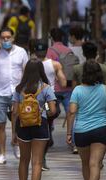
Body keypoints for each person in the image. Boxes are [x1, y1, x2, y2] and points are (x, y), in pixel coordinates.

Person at [12, 59, 57, 180]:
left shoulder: (19, 89)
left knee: (24, 161)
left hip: (23, 127)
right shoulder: (45, 88)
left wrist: (13, 132)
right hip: (40, 126)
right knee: (37, 162)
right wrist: (42, 110)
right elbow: (53, 111)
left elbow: (15, 112)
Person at [0, 27, 28, 164]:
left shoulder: (21, 52)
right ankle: (2, 154)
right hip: (0, 93)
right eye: (3, 37)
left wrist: (26, 91)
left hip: (17, 92)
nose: (6, 40)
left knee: (20, 123)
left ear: (13, 38)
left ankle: (17, 145)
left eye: (8, 37)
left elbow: (26, 70)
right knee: (0, 125)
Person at [34, 40, 67, 170]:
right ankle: (42, 157)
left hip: (33, 101)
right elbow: (63, 83)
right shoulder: (55, 64)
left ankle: (38, 156)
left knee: (36, 127)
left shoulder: (30, 65)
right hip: (49, 101)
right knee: (46, 125)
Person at [46, 28, 79, 154]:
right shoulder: (68, 50)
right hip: (68, 88)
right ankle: (75, 144)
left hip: (53, 89)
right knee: (72, 114)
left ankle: (48, 138)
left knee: (49, 114)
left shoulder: (49, 51)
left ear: (52, 38)